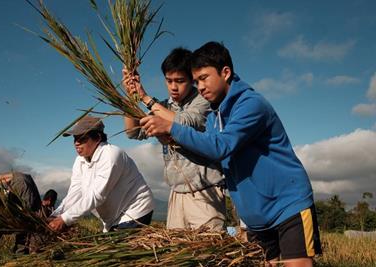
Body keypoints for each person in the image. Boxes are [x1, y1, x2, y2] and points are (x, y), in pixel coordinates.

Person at [140, 42, 322, 266]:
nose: (200, 86)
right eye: (196, 81)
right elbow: (210, 147)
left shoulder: (250, 105)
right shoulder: (216, 114)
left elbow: (221, 146)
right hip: (257, 215)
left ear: (225, 72)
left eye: (204, 78)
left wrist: (170, 128)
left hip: (287, 205)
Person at [123, 47, 226, 231]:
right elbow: (133, 132)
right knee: (179, 252)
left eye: (180, 81)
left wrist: (146, 98)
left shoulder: (202, 100)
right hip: (177, 192)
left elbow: (184, 122)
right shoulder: (162, 106)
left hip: (204, 191)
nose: (173, 87)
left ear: (192, 80)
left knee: (208, 252)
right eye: (169, 81)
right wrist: (130, 97)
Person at [49, 115, 154, 233]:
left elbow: (97, 195)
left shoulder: (111, 155)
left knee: (117, 249)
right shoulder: (80, 160)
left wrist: (65, 219)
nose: (76, 143)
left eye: (82, 138)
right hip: (113, 216)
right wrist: (57, 214)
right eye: (75, 139)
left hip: (135, 210)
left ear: (98, 138)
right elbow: (76, 191)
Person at [0, 172, 42, 265]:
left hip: (13, 205)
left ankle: (21, 259)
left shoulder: (21, 184)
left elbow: (27, 220)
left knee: (27, 230)